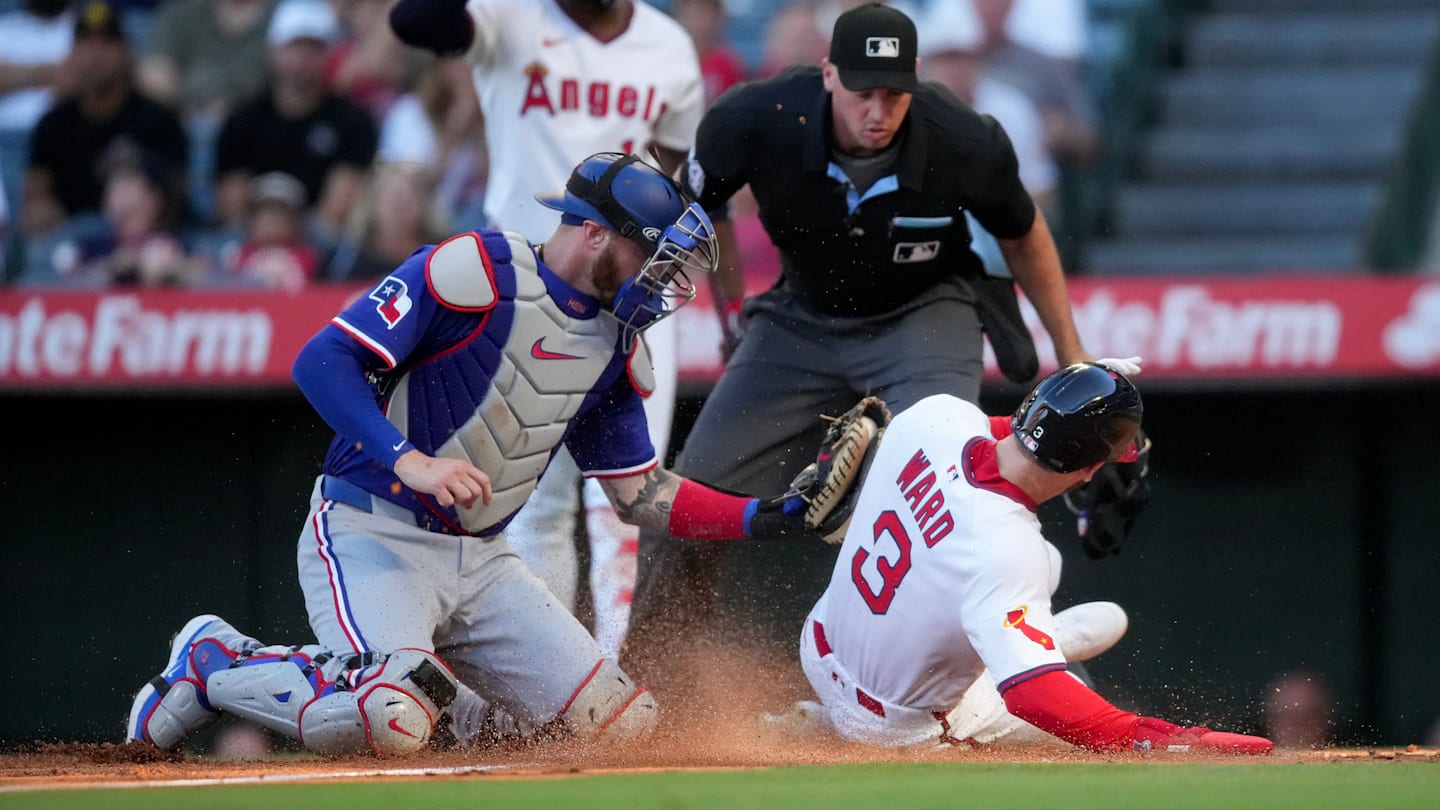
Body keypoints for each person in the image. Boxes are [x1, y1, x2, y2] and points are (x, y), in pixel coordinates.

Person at [126, 152, 842, 756]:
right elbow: (323, 359)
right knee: (392, 714)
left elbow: (640, 495)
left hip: (486, 562)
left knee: (622, 728)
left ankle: (463, 718)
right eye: (651, 252)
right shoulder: (471, 270)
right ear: (593, 233)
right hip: (371, 530)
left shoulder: (621, 348)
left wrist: (765, 517)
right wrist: (410, 459)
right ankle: (215, 660)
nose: (663, 277)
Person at [625, 3, 1105, 701]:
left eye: (893, 92)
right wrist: (732, 310)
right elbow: (700, 206)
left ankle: (1010, 690)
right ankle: (646, 694)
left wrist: (1072, 353)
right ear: (827, 74)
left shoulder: (960, 136)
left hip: (923, 314)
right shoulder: (756, 116)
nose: (878, 110)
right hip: (799, 320)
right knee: (692, 498)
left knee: (956, 500)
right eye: (862, 91)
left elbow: (1025, 233)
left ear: (915, 83)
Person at [388, 0, 705, 658]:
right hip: (525, 287)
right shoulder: (511, 16)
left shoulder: (668, 45)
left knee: (628, 501)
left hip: (634, 294)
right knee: (534, 502)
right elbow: (416, 21)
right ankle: (548, 680)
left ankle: (618, 672)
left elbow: (675, 182)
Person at [791, 362, 1272, 755]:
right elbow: (1033, 696)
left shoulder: (933, 416)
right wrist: (1166, 738)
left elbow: (1012, 435)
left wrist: (1076, 399)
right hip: (892, 724)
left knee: (1039, 567)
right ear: (1087, 472)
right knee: (1054, 659)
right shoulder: (1006, 546)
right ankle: (835, 727)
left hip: (821, 639)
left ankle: (1020, 639)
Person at [21, 0, 188, 238]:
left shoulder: (158, 120)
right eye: (85, 43)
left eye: (106, 42)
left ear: (126, 51)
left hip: (143, 242)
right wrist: (44, 213)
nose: (95, 54)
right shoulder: (53, 124)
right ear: (73, 52)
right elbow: (35, 202)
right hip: (73, 245)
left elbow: (176, 201)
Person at [213, 0, 377, 237]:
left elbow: (337, 211)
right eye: (294, 46)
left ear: (327, 55)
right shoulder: (242, 120)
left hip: (317, 245)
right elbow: (233, 208)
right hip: (250, 239)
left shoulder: (352, 121)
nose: (303, 58)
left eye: (314, 48)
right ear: (273, 49)